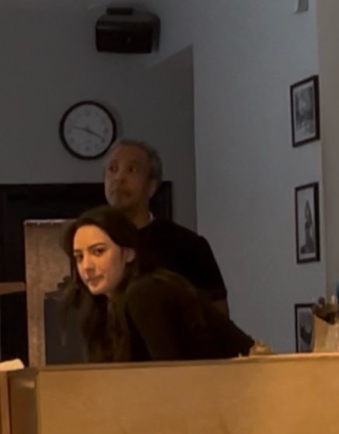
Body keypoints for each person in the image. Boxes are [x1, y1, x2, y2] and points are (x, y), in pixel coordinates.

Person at [63, 206, 254, 363]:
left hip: (249, 383)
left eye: (98, 252)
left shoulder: (144, 292)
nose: (86, 266)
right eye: (79, 257)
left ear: (128, 253)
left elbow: (168, 376)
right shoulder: (101, 307)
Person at [103, 139, 229, 310]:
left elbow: (218, 315)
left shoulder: (188, 245)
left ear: (151, 186)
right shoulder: (88, 245)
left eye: (132, 170)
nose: (119, 178)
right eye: (112, 169)